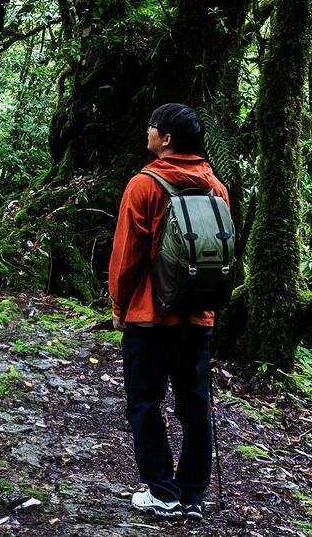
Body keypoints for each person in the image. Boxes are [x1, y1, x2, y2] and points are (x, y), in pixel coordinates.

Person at [109, 103, 230, 523]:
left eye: (152, 129)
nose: (148, 133)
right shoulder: (216, 187)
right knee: (194, 402)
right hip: (198, 317)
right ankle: (193, 494)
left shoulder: (144, 186)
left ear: (167, 140)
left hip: (149, 316)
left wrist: (119, 305)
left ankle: (162, 491)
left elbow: (126, 257)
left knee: (145, 401)